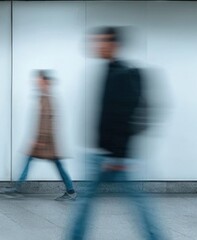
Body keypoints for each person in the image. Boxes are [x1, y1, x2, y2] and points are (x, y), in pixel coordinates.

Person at [68, 27, 161, 240]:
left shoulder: (125, 74)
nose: (97, 46)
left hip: (117, 156)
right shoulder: (107, 71)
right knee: (86, 202)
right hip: (99, 153)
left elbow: (128, 114)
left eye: (102, 41)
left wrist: (118, 155)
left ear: (114, 45)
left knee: (139, 203)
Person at [0, 70, 76, 201]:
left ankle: (17, 189)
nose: (37, 83)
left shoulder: (46, 99)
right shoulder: (44, 97)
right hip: (46, 141)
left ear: (45, 81)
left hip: (45, 142)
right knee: (52, 164)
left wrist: (41, 139)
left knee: (39, 162)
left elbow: (46, 121)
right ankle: (70, 191)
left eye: (39, 81)